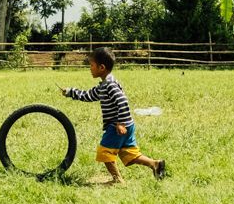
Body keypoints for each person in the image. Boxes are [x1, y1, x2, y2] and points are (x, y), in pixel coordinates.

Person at [61, 46, 166, 184]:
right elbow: (89, 95)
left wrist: (121, 123)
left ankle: (117, 180)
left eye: (91, 65)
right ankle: (155, 164)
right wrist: (71, 92)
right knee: (129, 154)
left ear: (102, 67)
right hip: (127, 125)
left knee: (104, 153)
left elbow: (122, 101)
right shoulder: (104, 85)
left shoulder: (110, 85)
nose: (90, 68)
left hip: (117, 127)